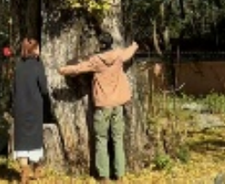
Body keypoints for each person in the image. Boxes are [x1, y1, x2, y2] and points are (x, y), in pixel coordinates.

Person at [58, 31, 138, 183]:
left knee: (101, 139)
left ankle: (104, 176)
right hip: (118, 105)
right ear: (111, 43)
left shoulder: (96, 60)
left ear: (100, 44)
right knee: (118, 139)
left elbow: (79, 68)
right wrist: (135, 45)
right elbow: (128, 53)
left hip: (103, 106)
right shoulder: (119, 55)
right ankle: (120, 175)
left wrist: (63, 70)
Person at [12, 37, 49, 182]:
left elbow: (14, 89)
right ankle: (37, 170)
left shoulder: (19, 66)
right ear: (33, 50)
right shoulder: (38, 66)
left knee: (22, 142)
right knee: (35, 140)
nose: (39, 50)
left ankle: (24, 172)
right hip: (35, 107)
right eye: (38, 48)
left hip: (20, 107)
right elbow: (44, 89)